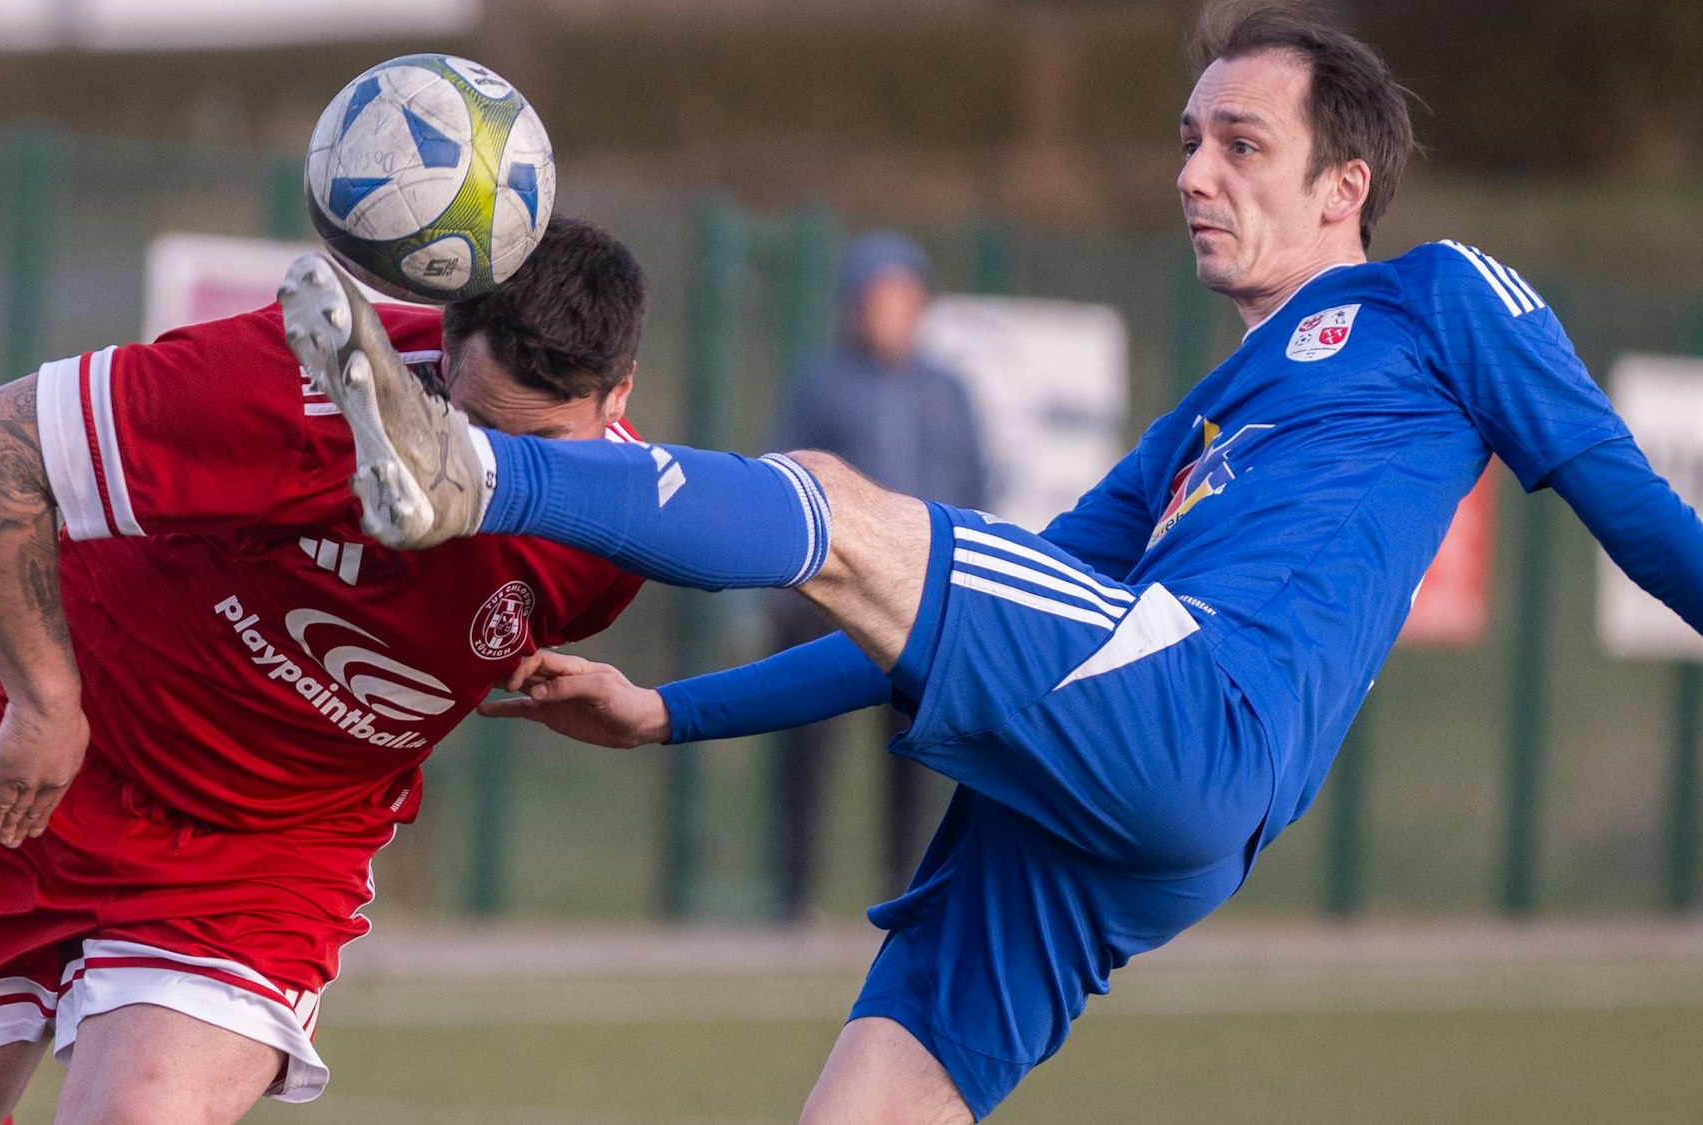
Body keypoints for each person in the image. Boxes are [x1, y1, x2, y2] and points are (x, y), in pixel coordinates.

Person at [276, 6, 1703, 1123]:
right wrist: (671, 714)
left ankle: (477, 470)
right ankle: (477, 474)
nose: (1194, 173)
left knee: (836, 503)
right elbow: (942, 608)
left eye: (1241, 146)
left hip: (1201, 706)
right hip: (1127, 793)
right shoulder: (1195, 429)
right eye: (1189, 139)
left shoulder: (1441, 296)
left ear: (1349, 184)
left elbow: (1635, 509)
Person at [0, 217, 651, 1125]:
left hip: (268, 849)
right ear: (441, 347)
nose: (484, 470)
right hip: (65, 767)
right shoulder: (291, 383)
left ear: (616, 396)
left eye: (539, 446)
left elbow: (824, 528)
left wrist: (659, 707)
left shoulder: (626, 527)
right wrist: (44, 696)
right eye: (467, 427)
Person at [769, 231, 987, 915]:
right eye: (877, 298)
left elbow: (973, 483)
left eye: (904, 298)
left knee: (916, 758)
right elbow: (786, 482)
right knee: (806, 756)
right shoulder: (824, 383)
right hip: (825, 607)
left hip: (924, 608)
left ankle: (906, 893)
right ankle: (794, 899)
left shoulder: (947, 392)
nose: (890, 312)